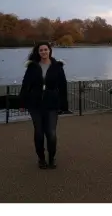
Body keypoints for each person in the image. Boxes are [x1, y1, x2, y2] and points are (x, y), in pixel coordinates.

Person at [18, 41, 68, 169]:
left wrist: (64, 105)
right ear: (38, 52)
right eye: (41, 50)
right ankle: (41, 159)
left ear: (50, 51)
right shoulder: (32, 67)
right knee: (39, 133)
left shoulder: (57, 66)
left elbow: (63, 86)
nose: (44, 52)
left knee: (51, 133)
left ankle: (51, 158)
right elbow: (25, 85)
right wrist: (22, 102)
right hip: (35, 104)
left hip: (52, 103)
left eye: (46, 49)